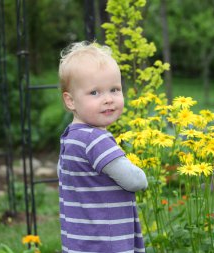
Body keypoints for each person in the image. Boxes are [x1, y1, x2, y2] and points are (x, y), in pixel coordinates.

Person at [57, 41, 148, 253]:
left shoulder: (71, 137)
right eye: (95, 93)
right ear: (70, 101)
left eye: (114, 89)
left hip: (80, 241)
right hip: (106, 242)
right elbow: (134, 180)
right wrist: (144, 176)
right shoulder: (96, 140)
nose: (108, 99)